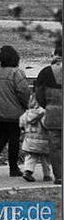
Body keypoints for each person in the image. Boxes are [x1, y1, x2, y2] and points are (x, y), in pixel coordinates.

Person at [0, 45, 30, 177]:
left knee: (2, 137)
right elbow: (23, 92)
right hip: (15, 113)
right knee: (14, 139)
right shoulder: (16, 73)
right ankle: (13, 168)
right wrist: (27, 106)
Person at [34, 45, 63, 184]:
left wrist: (48, 106)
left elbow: (38, 94)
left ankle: (59, 176)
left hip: (53, 113)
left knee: (55, 146)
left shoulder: (45, 72)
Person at [20, 95, 52, 182]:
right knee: (45, 159)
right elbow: (47, 125)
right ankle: (47, 175)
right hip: (43, 141)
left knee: (31, 156)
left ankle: (27, 172)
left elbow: (21, 124)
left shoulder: (26, 113)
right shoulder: (44, 113)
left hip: (29, 140)